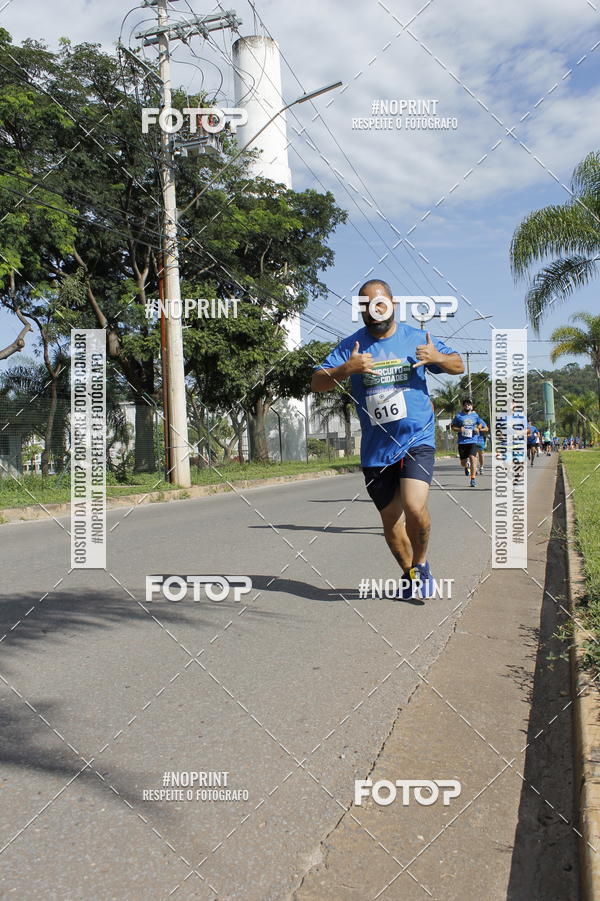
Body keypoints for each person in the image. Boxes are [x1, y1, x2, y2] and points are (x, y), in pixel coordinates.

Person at [310, 279, 464, 599]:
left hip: (416, 438)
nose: (373, 311)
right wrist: (346, 369)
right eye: (365, 306)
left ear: (392, 303)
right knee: (392, 522)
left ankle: (421, 565)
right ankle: (409, 574)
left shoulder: (416, 338)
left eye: (379, 304)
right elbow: (316, 382)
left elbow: (458, 365)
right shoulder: (351, 345)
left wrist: (437, 357)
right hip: (376, 450)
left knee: (414, 504)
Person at [451, 398, 488, 487]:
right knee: (463, 463)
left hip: (473, 440)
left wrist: (478, 428)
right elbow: (453, 427)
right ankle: (466, 466)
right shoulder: (458, 416)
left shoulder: (475, 416)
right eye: (465, 404)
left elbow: (481, 424)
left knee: (472, 457)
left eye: (469, 404)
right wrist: (460, 429)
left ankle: (473, 479)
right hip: (462, 442)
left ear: (471, 406)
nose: (467, 406)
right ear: (463, 406)